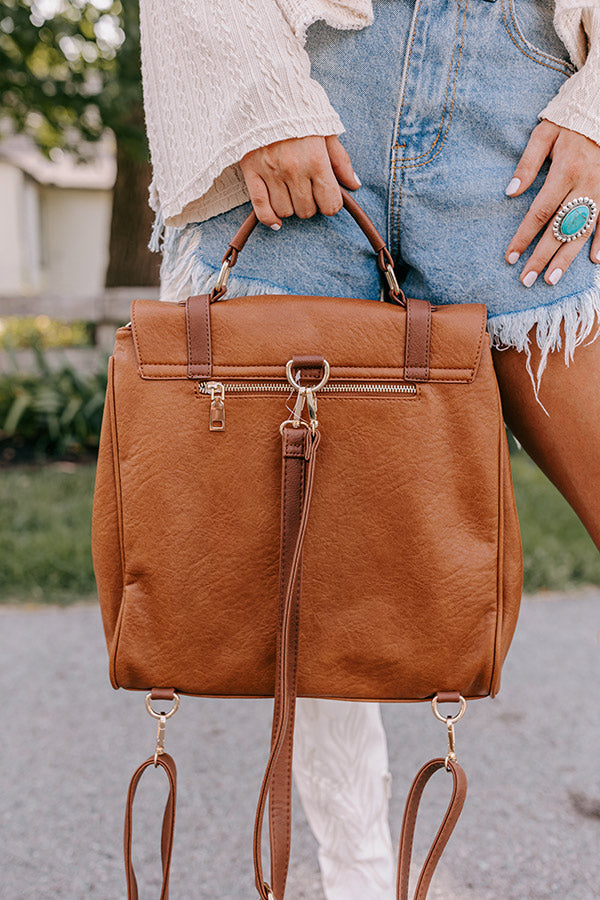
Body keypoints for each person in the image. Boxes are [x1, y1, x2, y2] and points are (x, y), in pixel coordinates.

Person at [139, 1, 600, 896]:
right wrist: (261, 95)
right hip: (313, 91)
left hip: (529, 113)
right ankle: (357, 878)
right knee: (308, 562)